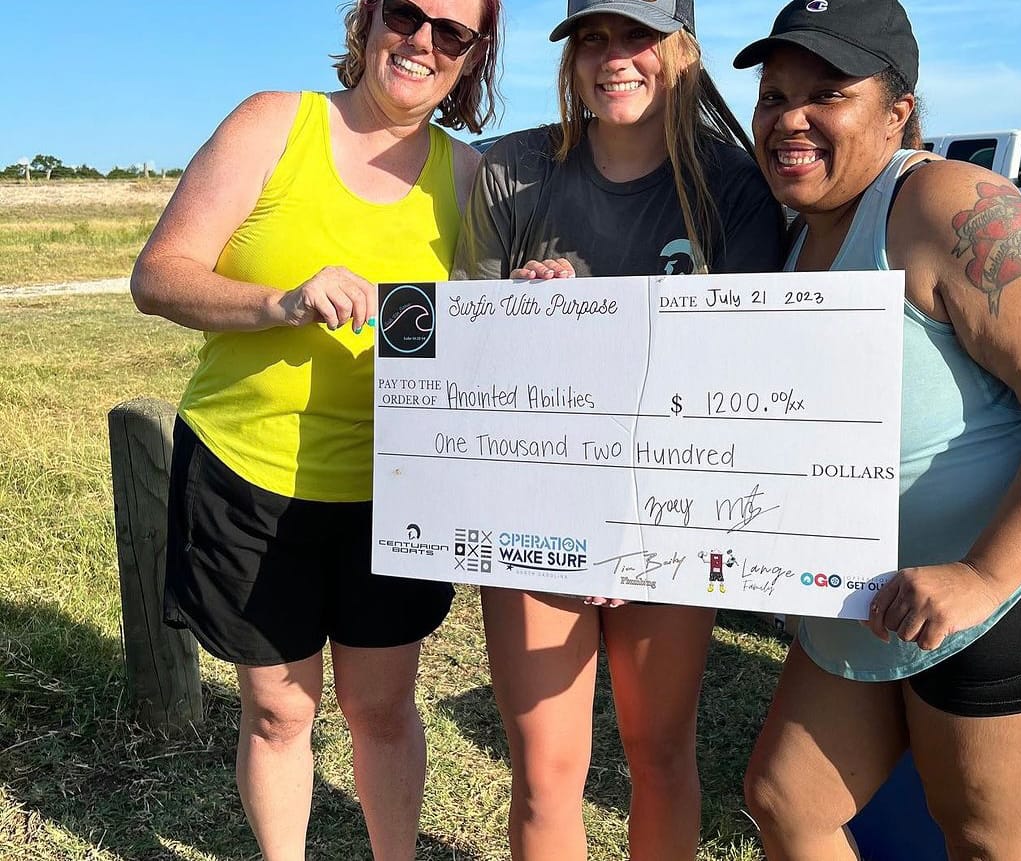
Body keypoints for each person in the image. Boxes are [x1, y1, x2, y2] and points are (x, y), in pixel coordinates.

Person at [731, 1, 1021, 859]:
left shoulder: (944, 204)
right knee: (786, 798)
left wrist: (981, 575)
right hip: (875, 589)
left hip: (1015, 577)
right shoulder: (792, 234)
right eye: (773, 95)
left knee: (984, 840)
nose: (789, 117)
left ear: (898, 111)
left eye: (827, 93)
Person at [129, 1, 500, 857]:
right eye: (408, 14)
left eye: (454, 33)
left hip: (396, 486)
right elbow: (159, 276)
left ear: (474, 57)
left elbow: (490, 333)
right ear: (369, 19)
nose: (423, 42)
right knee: (277, 709)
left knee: (379, 706)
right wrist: (279, 302)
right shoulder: (272, 124)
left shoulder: (473, 177)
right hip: (247, 473)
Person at [451, 0, 785, 857]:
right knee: (545, 772)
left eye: (639, 35)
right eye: (593, 38)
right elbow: (469, 364)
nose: (615, 58)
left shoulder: (733, 184)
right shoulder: (510, 169)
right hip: (536, 504)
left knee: (660, 752)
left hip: (672, 510)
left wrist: (631, 524)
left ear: (683, 49)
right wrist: (529, 315)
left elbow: (745, 373)